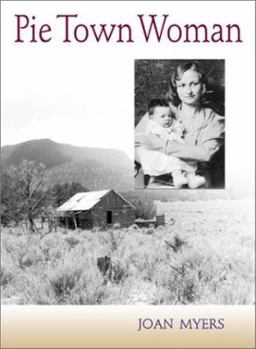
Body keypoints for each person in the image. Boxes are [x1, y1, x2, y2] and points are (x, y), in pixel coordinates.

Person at [135, 61, 225, 188]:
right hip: (160, 178)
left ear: (203, 87)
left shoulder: (215, 119)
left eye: (194, 84)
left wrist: (160, 145)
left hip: (195, 182)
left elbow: (205, 153)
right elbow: (136, 141)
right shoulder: (162, 110)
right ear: (176, 89)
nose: (188, 91)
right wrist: (154, 163)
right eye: (182, 85)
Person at [136, 98, 206, 188]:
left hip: (169, 148)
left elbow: (177, 131)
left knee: (187, 157)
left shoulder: (167, 125)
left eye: (169, 116)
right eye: (163, 116)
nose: (167, 118)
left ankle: (192, 179)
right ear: (151, 117)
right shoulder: (153, 127)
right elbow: (157, 142)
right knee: (174, 159)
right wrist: (170, 137)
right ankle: (177, 178)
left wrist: (177, 127)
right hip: (156, 153)